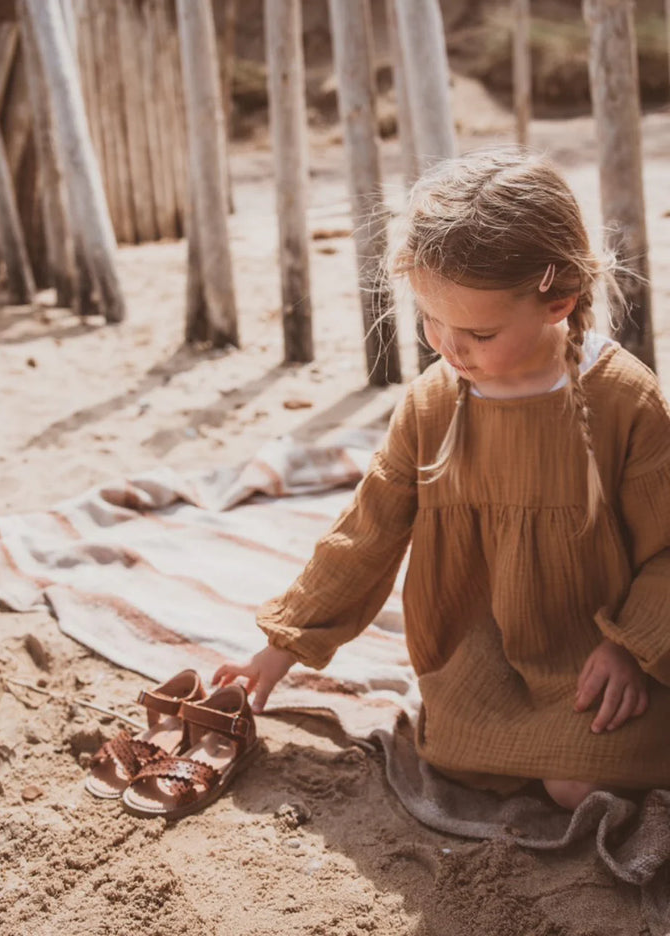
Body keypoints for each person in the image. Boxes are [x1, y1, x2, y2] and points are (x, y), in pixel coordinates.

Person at [213, 148, 670, 811]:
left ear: (558, 301)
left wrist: (631, 648)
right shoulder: (433, 402)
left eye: (478, 333)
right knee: (465, 760)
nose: (449, 349)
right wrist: (280, 649)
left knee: (577, 785)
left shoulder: (625, 401)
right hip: (478, 658)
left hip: (597, 651)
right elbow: (364, 535)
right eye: (432, 321)